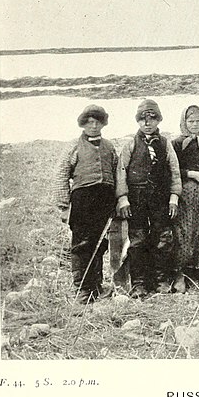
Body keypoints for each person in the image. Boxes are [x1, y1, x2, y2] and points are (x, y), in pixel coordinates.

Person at [116, 99, 182, 298]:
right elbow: (121, 172)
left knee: (163, 239)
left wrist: (174, 197)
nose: (147, 123)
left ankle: (161, 280)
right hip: (136, 199)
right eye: (143, 119)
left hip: (160, 199)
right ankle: (139, 283)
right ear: (138, 121)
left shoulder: (165, 144)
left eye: (152, 119)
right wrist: (123, 198)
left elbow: (175, 171)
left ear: (158, 120)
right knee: (138, 240)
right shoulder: (130, 145)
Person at [53, 104, 118, 304]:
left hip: (105, 201)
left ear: (102, 123)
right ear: (83, 124)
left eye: (97, 121)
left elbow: (117, 173)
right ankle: (82, 289)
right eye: (89, 122)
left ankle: (97, 286)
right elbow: (60, 174)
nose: (93, 126)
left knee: (100, 244)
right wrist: (64, 206)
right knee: (82, 244)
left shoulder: (109, 146)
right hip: (82, 202)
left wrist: (117, 199)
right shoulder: (74, 146)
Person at [171, 105, 199, 292]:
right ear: (184, 122)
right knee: (183, 232)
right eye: (191, 121)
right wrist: (190, 174)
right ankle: (179, 273)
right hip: (184, 193)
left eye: (198, 121)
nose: (195, 125)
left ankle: (198, 272)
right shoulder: (177, 144)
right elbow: (171, 170)